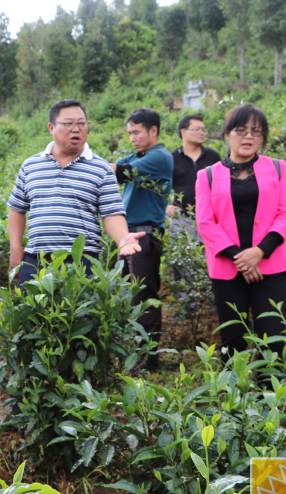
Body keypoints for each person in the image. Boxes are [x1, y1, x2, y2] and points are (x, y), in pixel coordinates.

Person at [195, 103, 286, 366]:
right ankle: (234, 401)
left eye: (256, 131)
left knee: (273, 337)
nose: (248, 136)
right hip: (227, 268)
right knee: (232, 338)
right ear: (227, 134)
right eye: (241, 130)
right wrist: (241, 259)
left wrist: (258, 252)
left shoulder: (277, 168)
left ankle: (270, 399)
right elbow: (205, 223)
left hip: (269, 267)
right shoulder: (206, 175)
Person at [7, 99, 145, 286]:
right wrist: (16, 249)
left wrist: (122, 238)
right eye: (68, 123)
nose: (76, 129)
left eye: (81, 123)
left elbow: (111, 213)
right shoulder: (31, 165)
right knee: (32, 314)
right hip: (36, 262)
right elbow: (16, 209)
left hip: (82, 263)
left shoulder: (101, 169)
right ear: (51, 127)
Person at [109, 108, 173, 371]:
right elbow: (108, 167)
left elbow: (114, 171)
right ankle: (133, 354)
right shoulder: (139, 155)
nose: (132, 138)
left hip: (145, 234)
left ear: (153, 131)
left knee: (144, 296)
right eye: (129, 133)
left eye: (136, 132)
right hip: (127, 234)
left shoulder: (159, 157)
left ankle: (149, 358)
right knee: (127, 295)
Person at [169, 114, 222, 305]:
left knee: (213, 259)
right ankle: (187, 307)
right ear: (183, 132)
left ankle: (212, 304)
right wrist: (166, 206)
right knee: (182, 262)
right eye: (197, 129)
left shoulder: (213, 156)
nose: (202, 132)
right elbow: (160, 186)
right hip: (182, 219)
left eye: (203, 129)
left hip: (210, 219)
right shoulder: (171, 158)